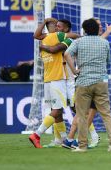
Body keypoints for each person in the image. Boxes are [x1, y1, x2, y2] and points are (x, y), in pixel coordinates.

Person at [64, 18, 111, 152]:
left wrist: (75, 70)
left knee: (82, 115)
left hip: (83, 81)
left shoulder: (78, 42)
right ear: (97, 29)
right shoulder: (104, 42)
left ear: (84, 30)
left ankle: (82, 146)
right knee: (106, 114)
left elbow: (66, 54)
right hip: (101, 81)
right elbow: (108, 61)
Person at [29, 18, 77, 148]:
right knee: (57, 110)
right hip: (57, 79)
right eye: (55, 25)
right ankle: (36, 134)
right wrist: (84, 36)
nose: (57, 27)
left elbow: (36, 35)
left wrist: (44, 22)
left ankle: (62, 139)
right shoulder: (57, 36)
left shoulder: (44, 38)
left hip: (48, 80)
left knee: (58, 111)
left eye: (58, 26)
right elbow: (59, 46)